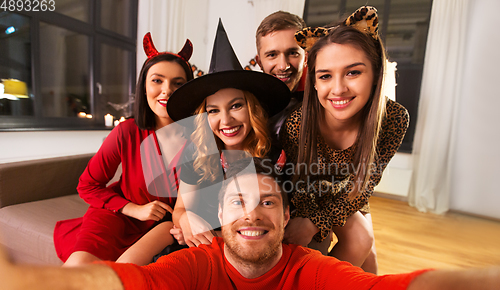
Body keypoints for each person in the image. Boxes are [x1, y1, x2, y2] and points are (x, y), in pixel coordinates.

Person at [1, 157, 499, 290]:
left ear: (286, 217)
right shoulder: (197, 264)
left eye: (266, 203)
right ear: (219, 216)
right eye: (237, 202)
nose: (252, 212)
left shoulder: (314, 272)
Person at [124, 20, 290, 254]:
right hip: (193, 242)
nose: (226, 120)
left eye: (235, 106)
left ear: (252, 108)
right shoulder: (199, 150)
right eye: (213, 111)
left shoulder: (273, 155)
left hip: (241, 247)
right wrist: (186, 220)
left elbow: (270, 221)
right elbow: (180, 208)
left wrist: (213, 234)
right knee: (129, 269)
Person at [281, 6, 409, 274]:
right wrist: (313, 223)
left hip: (349, 189)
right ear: (314, 81)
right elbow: (295, 183)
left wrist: (316, 222)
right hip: (305, 192)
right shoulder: (298, 123)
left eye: (353, 72)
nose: (338, 89)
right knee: (334, 243)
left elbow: (364, 184)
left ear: (375, 75)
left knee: (365, 249)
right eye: (325, 75)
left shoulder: (393, 119)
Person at [53, 33, 194, 266]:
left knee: (121, 282)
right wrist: (133, 209)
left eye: (178, 83)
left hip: (165, 229)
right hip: (119, 215)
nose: (167, 90)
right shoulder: (126, 132)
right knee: (77, 268)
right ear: (144, 85)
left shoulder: (199, 137)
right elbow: (87, 185)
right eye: (157, 80)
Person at [255, 10, 306, 143]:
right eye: (272, 55)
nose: (283, 66)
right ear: (259, 62)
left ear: (306, 57)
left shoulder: (325, 105)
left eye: (293, 53)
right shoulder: (246, 107)